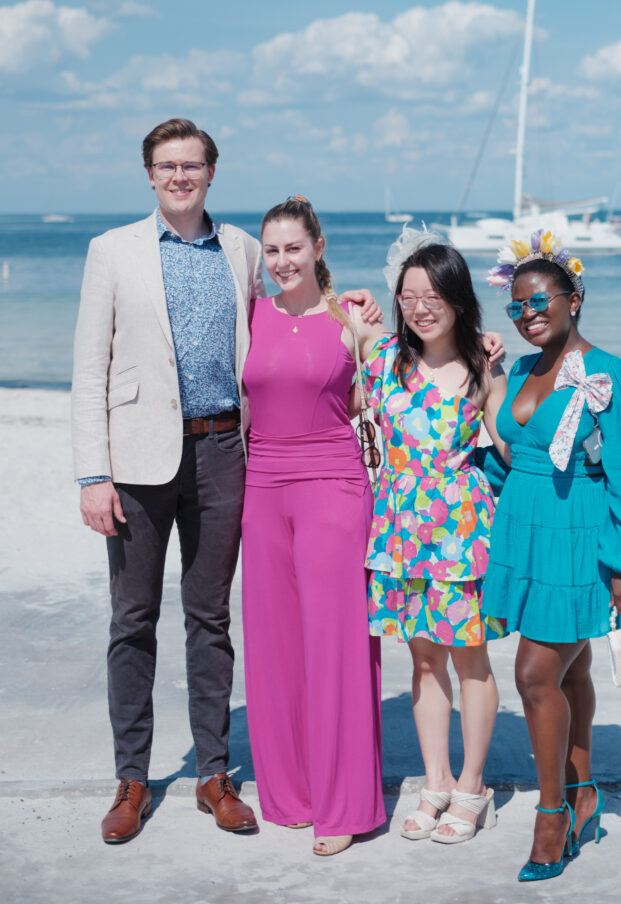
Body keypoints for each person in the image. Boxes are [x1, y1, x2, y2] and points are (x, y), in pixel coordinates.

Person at [72, 125, 379, 844]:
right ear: (150, 174)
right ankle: (132, 779)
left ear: (212, 171)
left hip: (225, 454)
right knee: (132, 618)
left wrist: (355, 309)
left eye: (192, 164)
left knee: (210, 618)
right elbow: (90, 369)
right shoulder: (111, 251)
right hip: (138, 460)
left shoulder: (242, 249)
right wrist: (93, 474)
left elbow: (298, 320)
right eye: (166, 165)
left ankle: (214, 773)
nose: (179, 176)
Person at [482, 229, 621, 883]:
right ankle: (584, 798)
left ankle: (551, 816)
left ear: (573, 299)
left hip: (577, 537)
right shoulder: (521, 371)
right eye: (517, 306)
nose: (528, 314)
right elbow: (516, 457)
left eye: (540, 301)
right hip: (524, 532)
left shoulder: (612, 376)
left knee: (534, 676)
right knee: (570, 673)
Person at [239, 196, 387, 857]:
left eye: (293, 248)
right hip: (262, 489)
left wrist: (483, 350)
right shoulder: (250, 314)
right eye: (271, 251)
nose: (282, 261)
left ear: (318, 248)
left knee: (335, 643)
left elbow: (409, 374)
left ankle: (344, 804)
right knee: (274, 642)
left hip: (333, 487)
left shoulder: (352, 317)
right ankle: (293, 793)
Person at [362, 232, 508, 845]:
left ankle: (473, 787)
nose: (420, 308)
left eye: (433, 296)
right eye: (409, 296)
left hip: (461, 534)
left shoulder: (482, 366)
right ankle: (436, 782)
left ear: (457, 297)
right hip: (400, 530)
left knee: (470, 657)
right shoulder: (382, 358)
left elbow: (508, 444)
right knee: (422, 660)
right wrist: (350, 301)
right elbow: (323, 325)